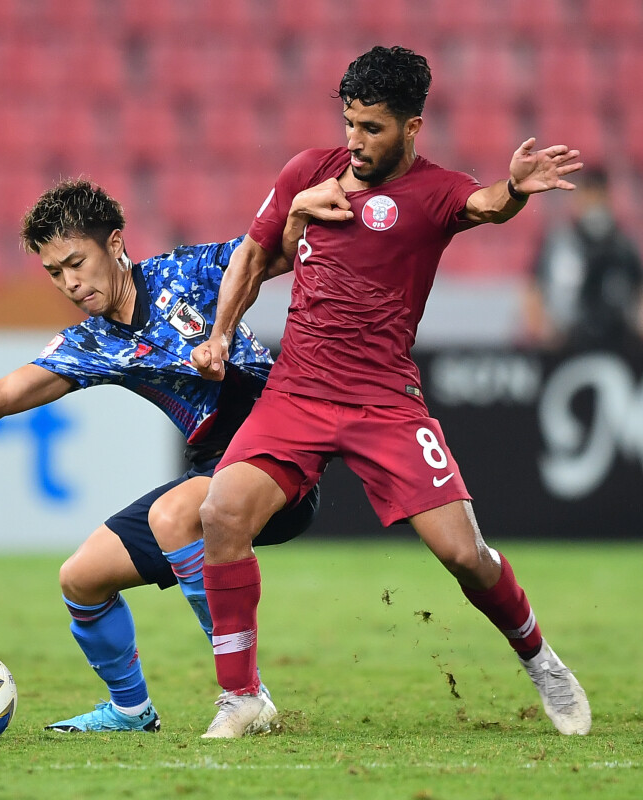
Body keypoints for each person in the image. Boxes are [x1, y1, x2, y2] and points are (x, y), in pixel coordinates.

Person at [189, 45, 592, 738]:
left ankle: (541, 659)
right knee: (222, 514)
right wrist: (221, 333)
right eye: (349, 122)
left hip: (384, 403)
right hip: (298, 394)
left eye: (372, 127)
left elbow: (485, 204)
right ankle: (242, 697)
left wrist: (517, 187)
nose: (356, 140)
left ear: (411, 127)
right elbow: (254, 256)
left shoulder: (434, 191)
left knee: (465, 555)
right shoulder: (306, 173)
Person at [0, 179, 318, 733]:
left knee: (173, 515)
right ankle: (132, 712)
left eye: (75, 262)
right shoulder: (92, 343)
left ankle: (246, 694)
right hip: (209, 471)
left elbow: (270, 251)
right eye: (55, 273)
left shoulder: (186, 274)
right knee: (81, 578)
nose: (69, 282)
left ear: (114, 244)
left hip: (275, 459)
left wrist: (304, 207)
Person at [520, 164, 643, 353]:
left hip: (618, 343)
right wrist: (544, 331)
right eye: (588, 196)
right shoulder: (559, 243)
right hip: (565, 343)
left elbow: (638, 291)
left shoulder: (622, 246)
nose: (593, 204)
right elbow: (533, 288)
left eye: (598, 197)